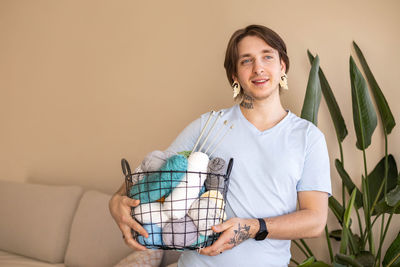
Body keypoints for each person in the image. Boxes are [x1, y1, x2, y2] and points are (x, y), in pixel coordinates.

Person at [109, 24, 331, 267]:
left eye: (267, 56)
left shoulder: (308, 137)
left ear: (282, 66)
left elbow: (315, 221)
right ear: (235, 76)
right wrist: (116, 201)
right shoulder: (209, 125)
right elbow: (154, 173)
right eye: (246, 61)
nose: (258, 68)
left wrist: (252, 227)